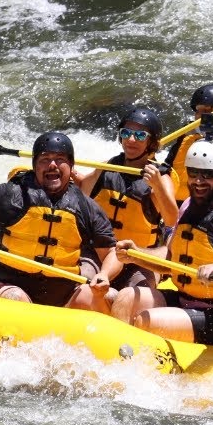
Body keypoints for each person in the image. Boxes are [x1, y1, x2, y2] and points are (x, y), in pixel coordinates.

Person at [0, 131, 122, 312]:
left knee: (108, 297)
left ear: (71, 167)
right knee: (16, 298)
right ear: (35, 165)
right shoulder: (9, 195)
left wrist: (104, 274)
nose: (52, 165)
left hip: (63, 292)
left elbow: (111, 253)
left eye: (60, 160)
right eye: (45, 159)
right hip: (10, 284)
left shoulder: (86, 207)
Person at [111, 137, 213, 346]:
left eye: (207, 175)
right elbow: (171, 258)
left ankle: (135, 358)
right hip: (186, 300)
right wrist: (136, 254)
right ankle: (118, 356)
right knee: (126, 298)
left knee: (148, 320)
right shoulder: (189, 205)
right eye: (193, 173)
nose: (198, 181)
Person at [74, 106, 178, 290]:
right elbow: (82, 190)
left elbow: (172, 219)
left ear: (151, 142)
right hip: (100, 251)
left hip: (138, 258)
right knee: (80, 284)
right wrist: (69, 173)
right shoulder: (108, 166)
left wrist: (157, 187)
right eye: (126, 133)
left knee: (137, 291)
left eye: (140, 135)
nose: (131, 140)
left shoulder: (160, 177)